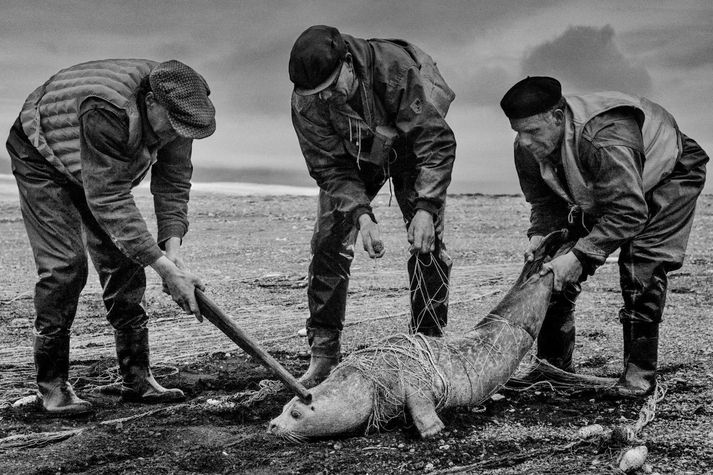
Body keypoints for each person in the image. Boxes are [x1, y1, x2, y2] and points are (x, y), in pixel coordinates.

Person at [7, 59, 216, 415]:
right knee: (65, 267)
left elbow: (173, 183)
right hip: (42, 154)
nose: (176, 136)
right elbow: (108, 197)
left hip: (99, 168)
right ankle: (52, 386)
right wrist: (165, 270)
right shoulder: (107, 110)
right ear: (150, 102)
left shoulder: (182, 115)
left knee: (125, 259)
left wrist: (172, 251)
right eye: (173, 127)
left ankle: (136, 376)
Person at [499, 76, 708, 397]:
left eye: (532, 132)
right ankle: (552, 366)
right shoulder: (527, 147)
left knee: (642, 260)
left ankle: (639, 377)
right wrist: (541, 235)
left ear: (557, 117)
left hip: (670, 169)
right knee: (552, 259)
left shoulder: (604, 138)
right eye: (518, 131)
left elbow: (628, 213)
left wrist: (581, 256)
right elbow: (545, 201)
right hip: (609, 185)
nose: (525, 141)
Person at [288, 25, 457, 387]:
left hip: (414, 147)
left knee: (426, 239)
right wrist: (363, 216)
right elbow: (329, 167)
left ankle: (427, 347)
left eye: (332, 88)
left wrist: (427, 207)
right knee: (329, 241)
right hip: (357, 156)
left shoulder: (394, 70)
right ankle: (324, 353)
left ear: (348, 64)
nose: (326, 99)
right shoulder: (308, 101)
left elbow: (435, 141)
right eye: (317, 95)